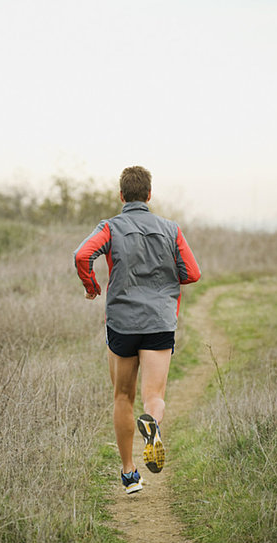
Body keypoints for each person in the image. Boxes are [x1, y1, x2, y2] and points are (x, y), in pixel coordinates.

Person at [73, 166, 201, 494]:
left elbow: (83, 254)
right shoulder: (170, 229)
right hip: (159, 321)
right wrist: (166, 281)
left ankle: (130, 473)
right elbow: (193, 273)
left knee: (122, 396)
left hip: (122, 323)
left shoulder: (110, 228)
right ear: (148, 195)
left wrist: (92, 286)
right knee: (154, 396)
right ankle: (153, 426)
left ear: (121, 196)